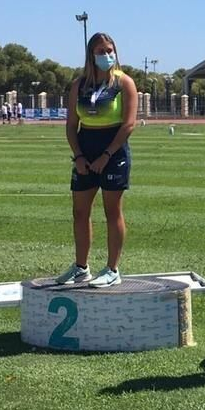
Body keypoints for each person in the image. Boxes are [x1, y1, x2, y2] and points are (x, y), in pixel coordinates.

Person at [55, 32, 139, 288]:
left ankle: (112, 269)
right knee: (80, 212)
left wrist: (106, 155)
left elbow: (128, 124)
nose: (107, 55)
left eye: (110, 50)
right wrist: (79, 156)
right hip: (85, 148)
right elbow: (71, 125)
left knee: (112, 211)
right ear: (91, 55)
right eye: (101, 51)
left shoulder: (124, 83)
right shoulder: (78, 85)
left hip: (113, 151)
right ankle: (81, 268)